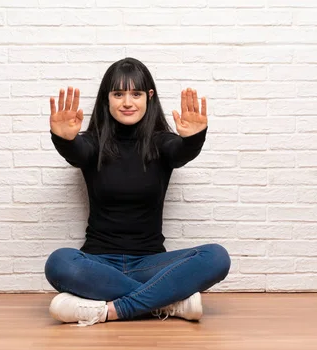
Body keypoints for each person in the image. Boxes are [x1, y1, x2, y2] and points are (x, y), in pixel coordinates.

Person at [44, 57, 231, 327]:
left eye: (136, 93)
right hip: (98, 265)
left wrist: (193, 138)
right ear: (106, 99)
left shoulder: (161, 142)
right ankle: (166, 302)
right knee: (59, 262)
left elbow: (180, 153)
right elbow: (76, 153)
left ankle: (111, 309)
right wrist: (63, 139)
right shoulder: (91, 143)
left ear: (149, 97)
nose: (127, 102)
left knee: (216, 256)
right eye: (118, 94)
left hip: (150, 264)